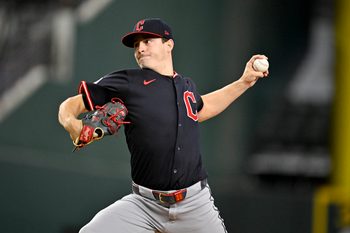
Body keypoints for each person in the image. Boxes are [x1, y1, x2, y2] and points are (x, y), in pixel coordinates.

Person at [58, 18, 269, 233]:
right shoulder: (127, 81)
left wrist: (244, 82)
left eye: (147, 41)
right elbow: (70, 105)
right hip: (144, 205)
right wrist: (72, 124)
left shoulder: (186, 85)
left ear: (169, 44)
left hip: (195, 204)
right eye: (136, 44)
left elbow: (203, 109)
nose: (140, 48)